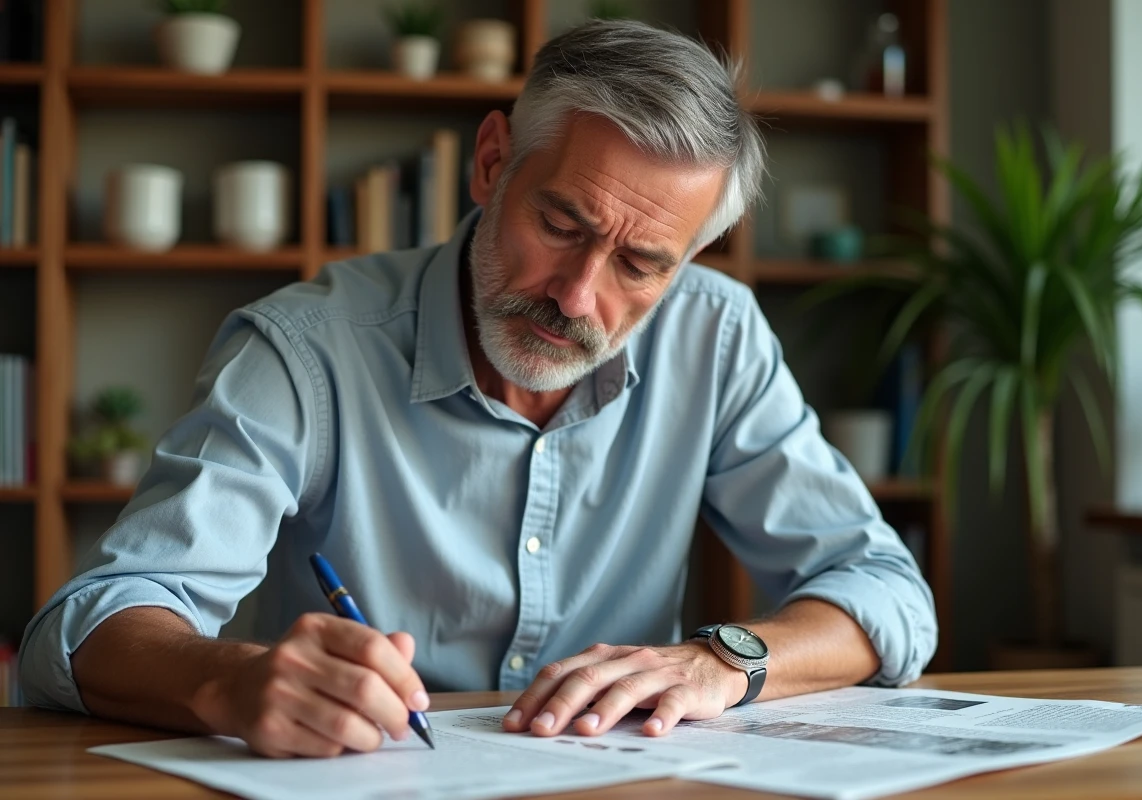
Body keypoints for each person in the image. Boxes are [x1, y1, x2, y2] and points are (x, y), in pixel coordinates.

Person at [20, 20, 936, 758]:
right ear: (492, 161)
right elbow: (86, 627)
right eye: (561, 223)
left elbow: (886, 591)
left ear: (689, 261)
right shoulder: (305, 350)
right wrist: (228, 682)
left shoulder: (717, 334)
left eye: (643, 265)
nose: (579, 297)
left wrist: (723, 664)